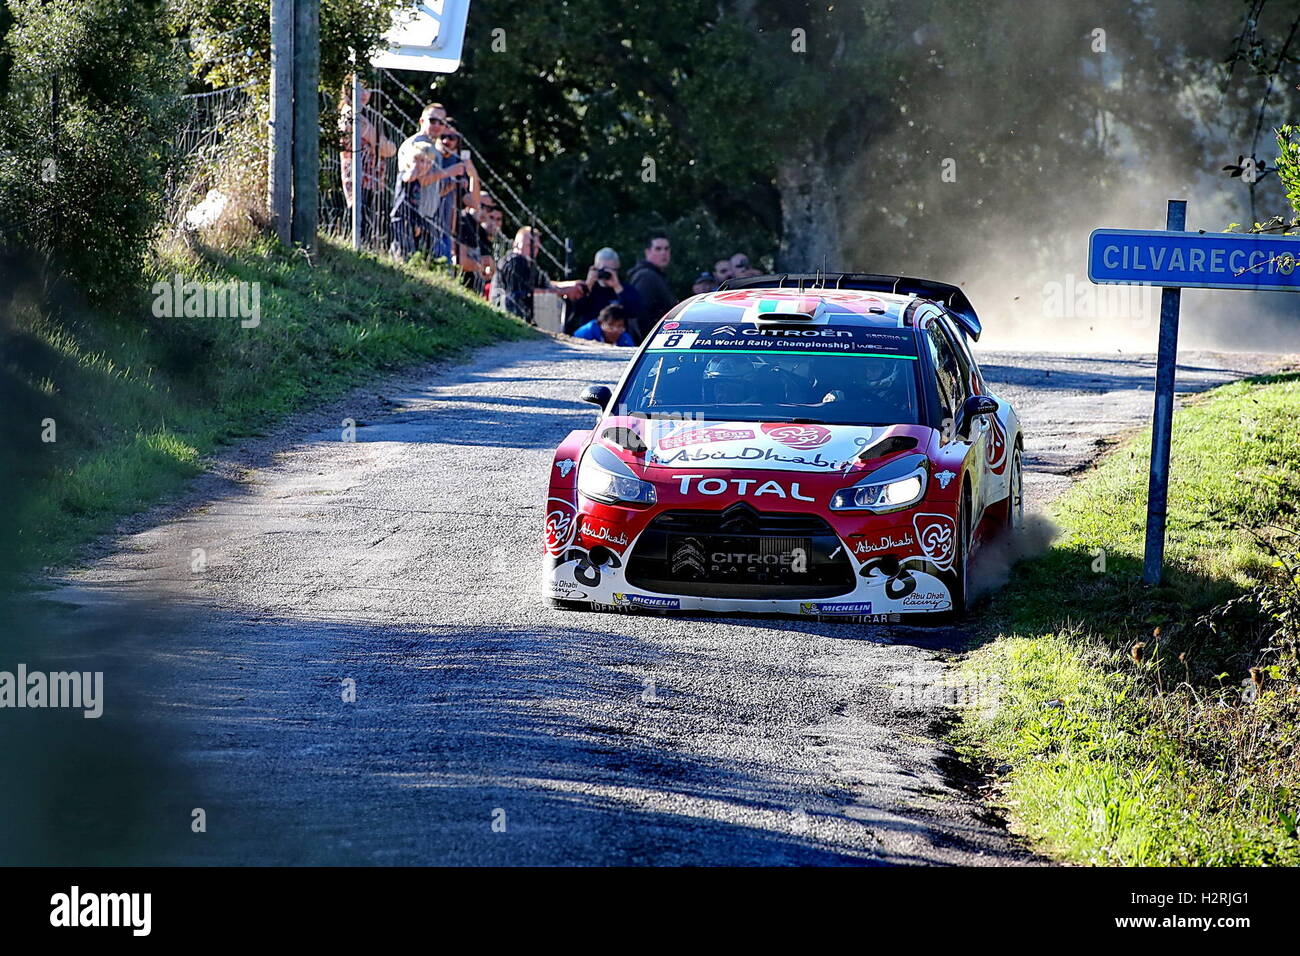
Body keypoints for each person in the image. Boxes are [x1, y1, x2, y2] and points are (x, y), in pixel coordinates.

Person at [338, 78, 395, 242]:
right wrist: (380, 142)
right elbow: (383, 146)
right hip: (358, 173)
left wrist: (380, 143)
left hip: (370, 175)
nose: (363, 94)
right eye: (358, 89)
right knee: (358, 214)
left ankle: (363, 246)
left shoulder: (366, 114)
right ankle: (355, 245)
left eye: (366, 89)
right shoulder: (351, 114)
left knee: (368, 216)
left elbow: (389, 149)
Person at [491, 226, 583, 323]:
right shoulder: (514, 262)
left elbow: (547, 285)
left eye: (536, 247)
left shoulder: (529, 265)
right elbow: (528, 292)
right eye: (529, 246)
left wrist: (574, 285)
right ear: (516, 244)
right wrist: (564, 291)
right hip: (504, 313)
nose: (533, 251)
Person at [562, 247, 642, 334]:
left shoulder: (625, 289)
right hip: (590, 337)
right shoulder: (587, 289)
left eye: (611, 270)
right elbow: (576, 310)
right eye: (602, 270)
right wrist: (588, 285)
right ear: (595, 269)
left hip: (616, 337)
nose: (605, 273)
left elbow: (634, 311)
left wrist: (617, 287)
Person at [626, 232, 676, 342]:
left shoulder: (657, 276)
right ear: (648, 252)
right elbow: (639, 314)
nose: (664, 253)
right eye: (658, 249)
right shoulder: (646, 277)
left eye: (666, 249)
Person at [390, 145, 435, 259]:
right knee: (401, 248)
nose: (423, 165)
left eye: (428, 162)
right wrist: (414, 167)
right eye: (419, 160)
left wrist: (417, 223)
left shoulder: (418, 183)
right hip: (400, 217)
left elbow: (415, 205)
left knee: (410, 250)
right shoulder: (405, 175)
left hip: (411, 219)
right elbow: (408, 177)